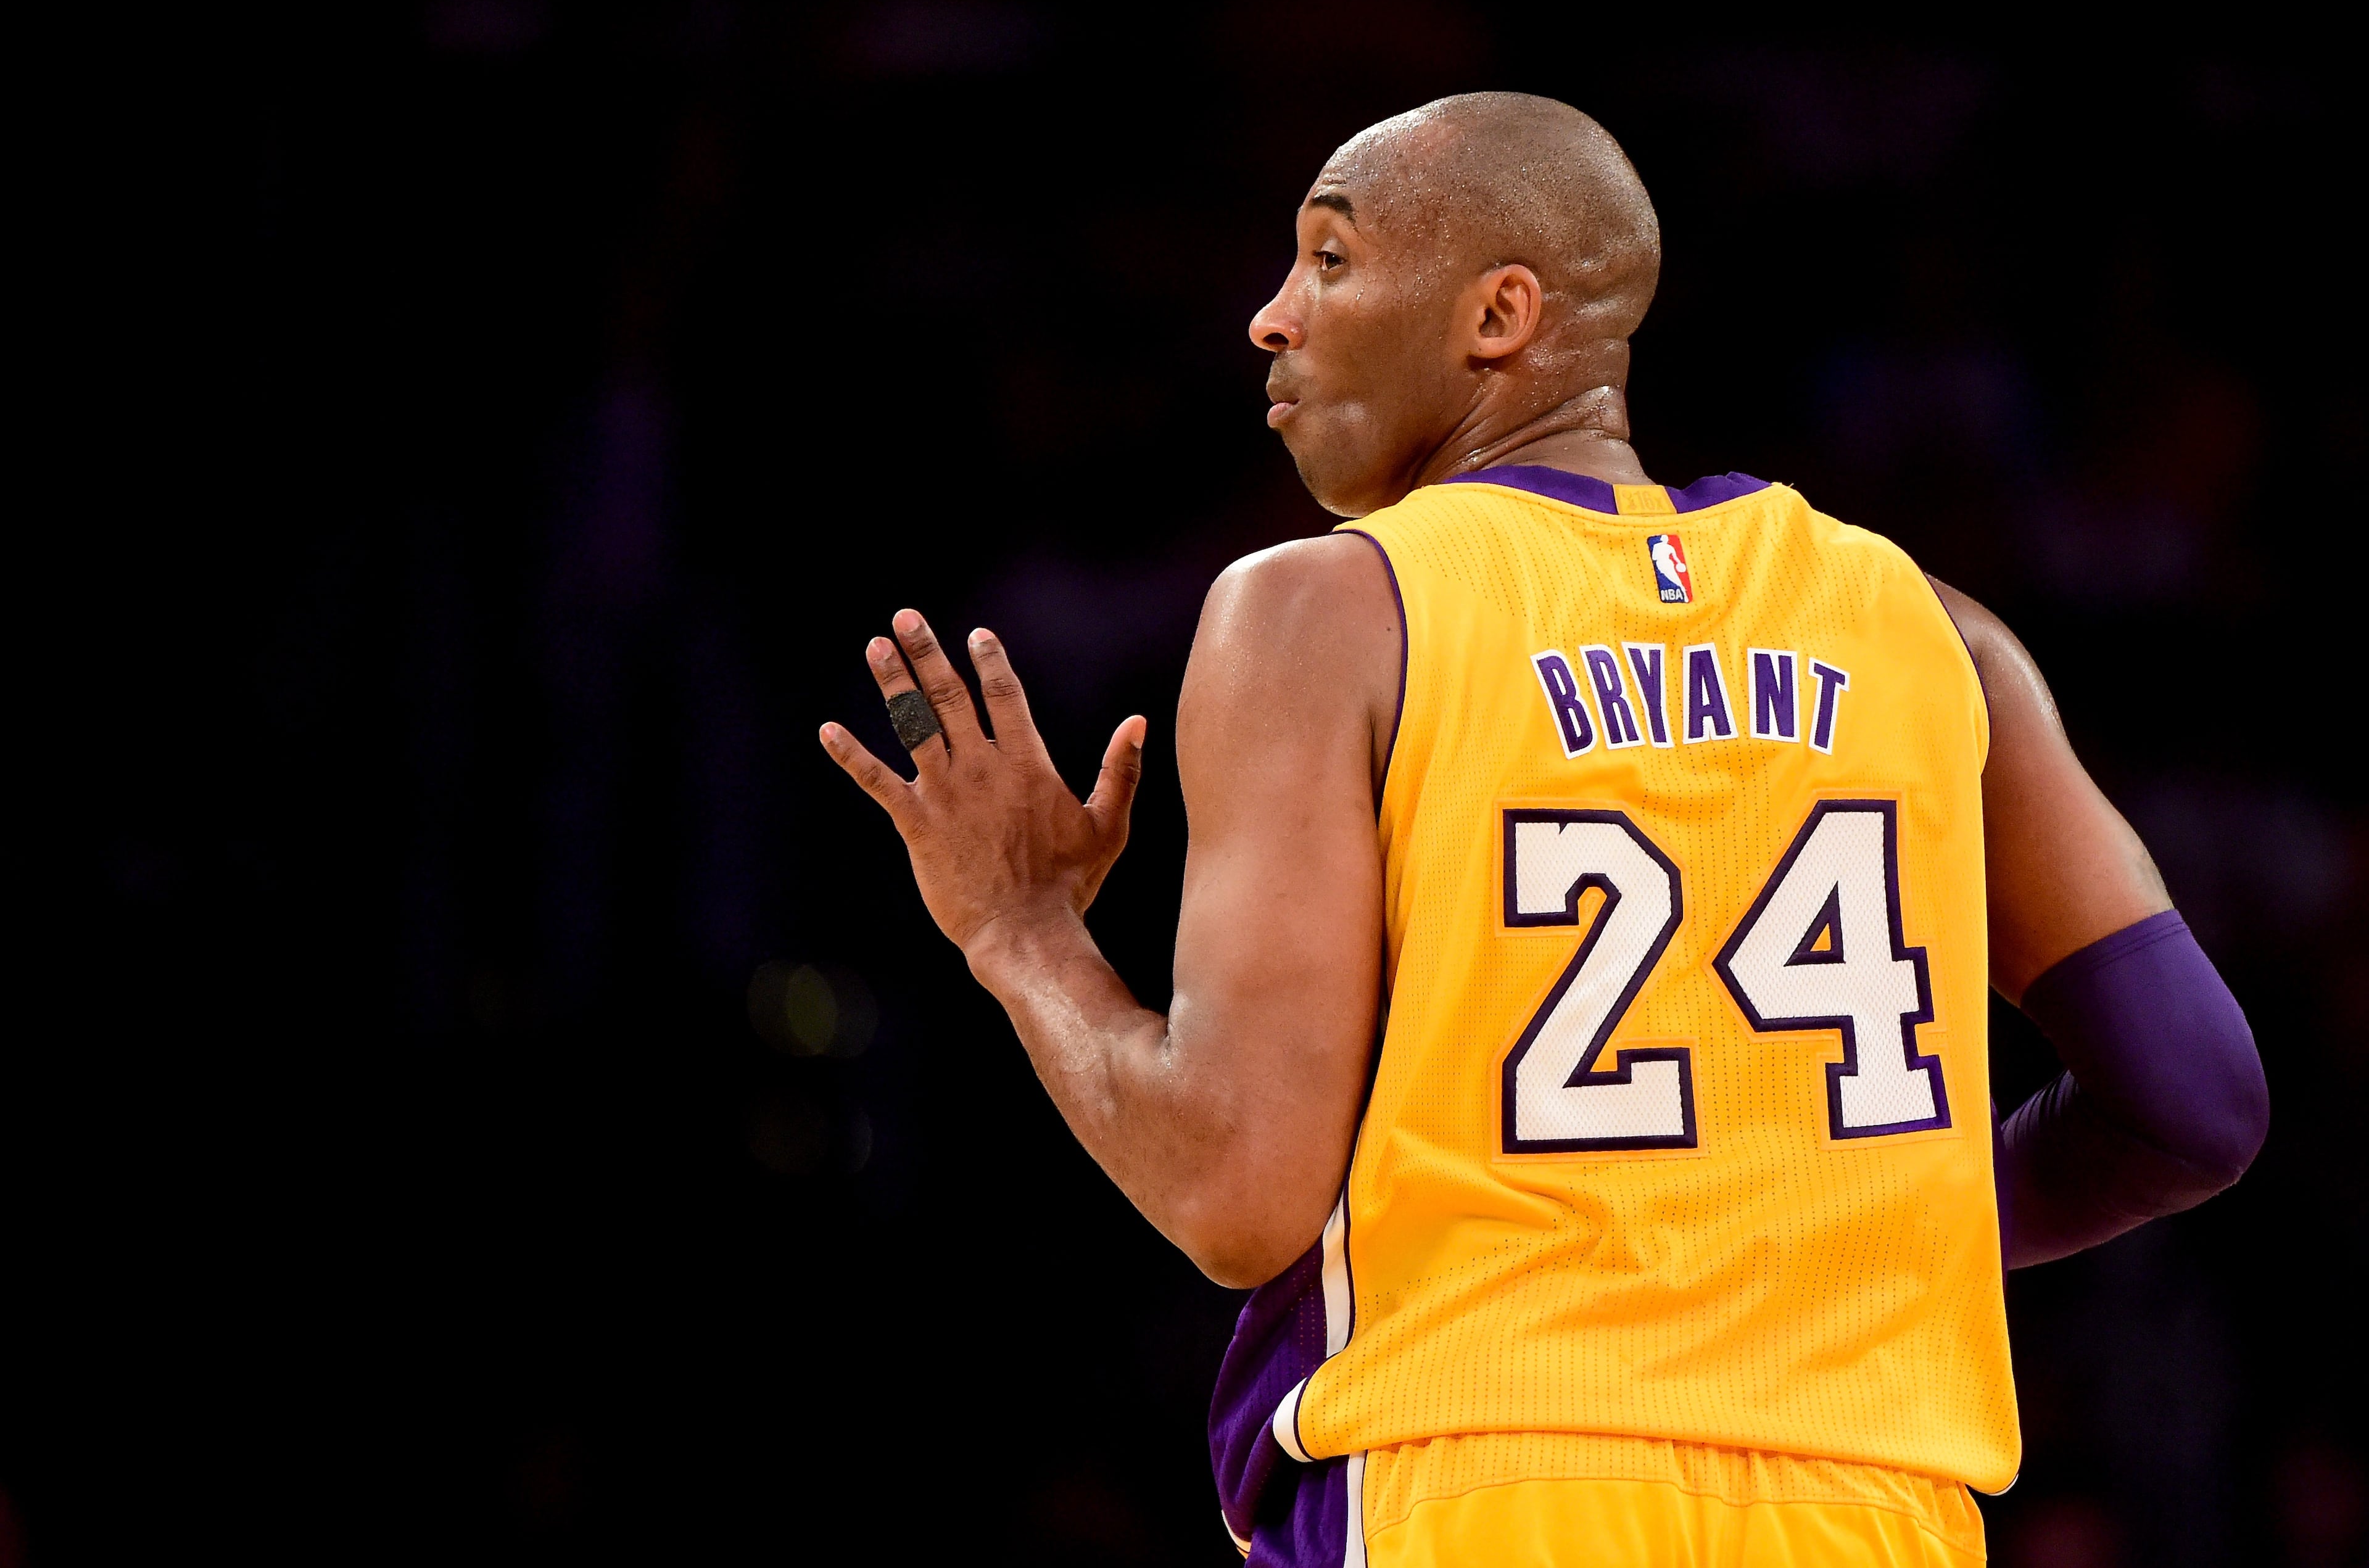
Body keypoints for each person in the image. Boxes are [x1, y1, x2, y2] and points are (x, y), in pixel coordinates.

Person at [818, 93, 2268, 1567]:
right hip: (1880, 1515)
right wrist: (1820, 1230)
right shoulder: (1932, 632)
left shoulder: (1325, 610)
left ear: (1498, 315)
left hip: (1487, 1492)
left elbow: (1235, 1193)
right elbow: (2198, 1101)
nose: (1271, 315)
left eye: (1329, 258)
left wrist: (1023, 934)